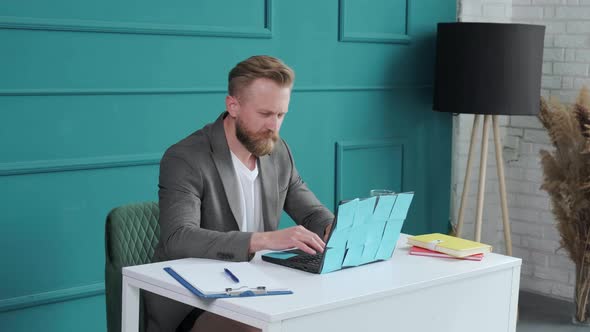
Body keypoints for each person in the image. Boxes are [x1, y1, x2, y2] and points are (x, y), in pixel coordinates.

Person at [145, 55, 335, 332]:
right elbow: (178, 237)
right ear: (233, 105)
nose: (274, 126)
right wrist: (265, 240)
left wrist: (334, 228)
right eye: (265, 114)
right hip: (196, 302)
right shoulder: (186, 157)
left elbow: (311, 212)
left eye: (281, 114)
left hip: (257, 289)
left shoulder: (278, 151)